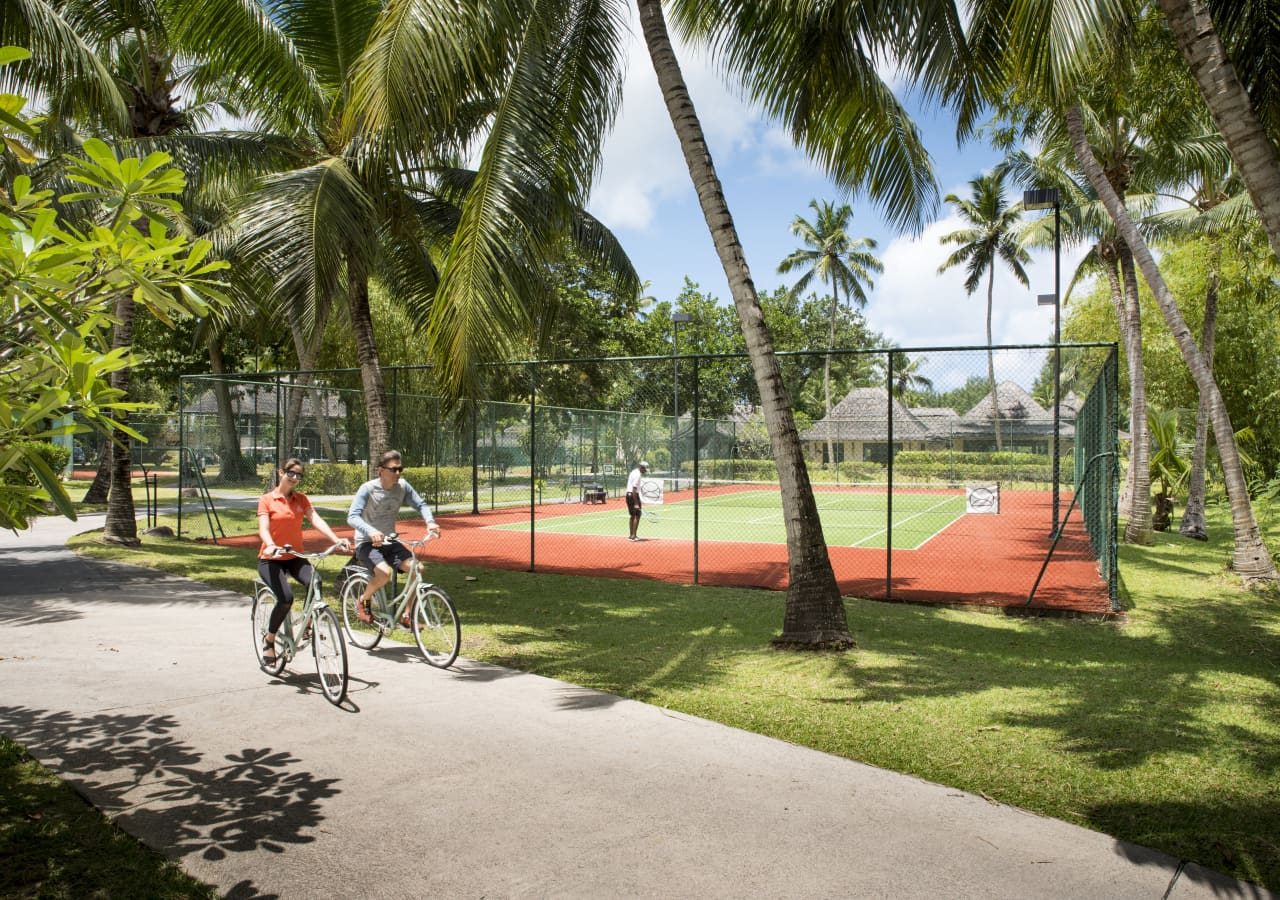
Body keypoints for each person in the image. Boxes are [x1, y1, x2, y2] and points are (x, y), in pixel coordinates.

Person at [258, 458, 350, 663]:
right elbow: (263, 528)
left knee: (315, 581)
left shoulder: (301, 499)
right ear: (281, 472)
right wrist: (271, 545)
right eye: (291, 473)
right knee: (286, 598)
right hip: (270, 559)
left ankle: (309, 625)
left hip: (295, 557)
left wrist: (336, 540)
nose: (295, 478)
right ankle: (270, 640)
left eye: (299, 475)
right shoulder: (267, 499)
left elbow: (316, 519)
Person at [347, 449, 442, 624]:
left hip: (389, 541)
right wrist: (371, 531)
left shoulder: (403, 487)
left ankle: (407, 615)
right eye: (393, 469)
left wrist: (430, 522)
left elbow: (421, 505)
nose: (398, 473)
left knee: (418, 569)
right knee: (384, 573)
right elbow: (352, 516)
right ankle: (363, 601)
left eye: (400, 469)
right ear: (381, 470)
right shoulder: (367, 489)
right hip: (367, 543)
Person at [625, 460, 649, 541]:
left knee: (632, 515)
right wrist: (636, 503)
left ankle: (631, 535)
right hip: (633, 496)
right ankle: (634, 536)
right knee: (637, 515)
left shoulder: (634, 472)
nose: (645, 471)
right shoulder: (638, 475)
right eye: (645, 469)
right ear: (642, 468)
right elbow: (634, 489)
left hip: (628, 495)